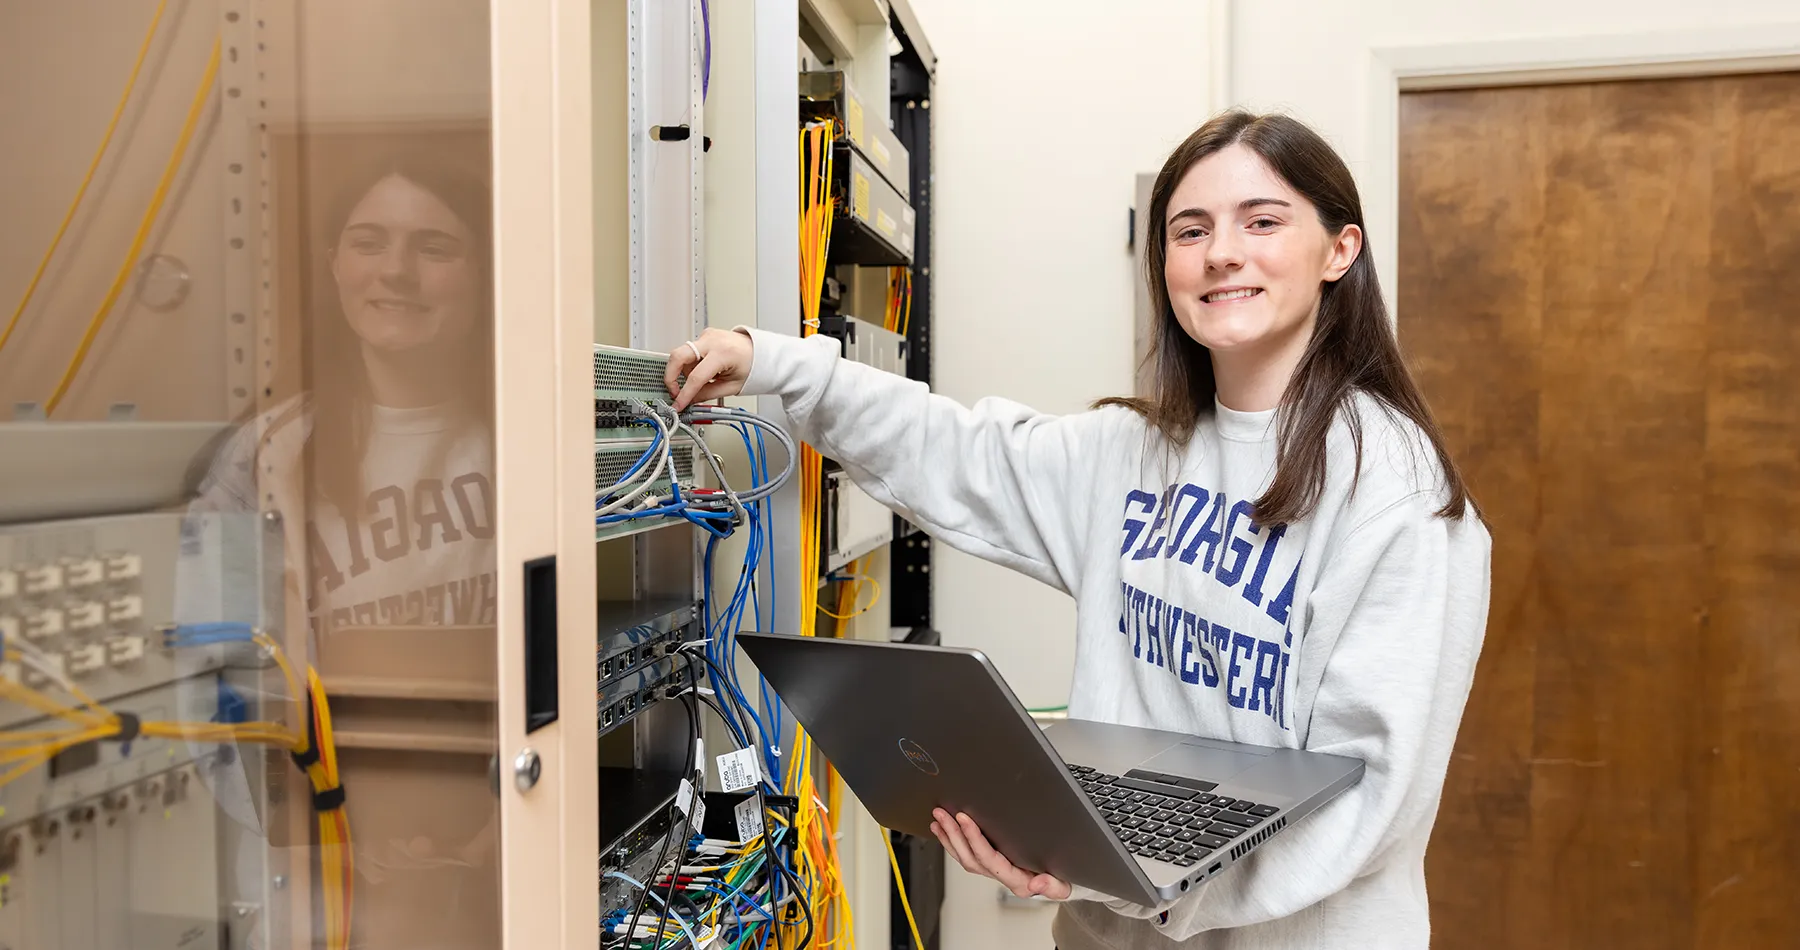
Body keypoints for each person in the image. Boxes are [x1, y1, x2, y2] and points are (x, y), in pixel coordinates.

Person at [663, 110, 1492, 949]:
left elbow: (1366, 795)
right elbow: (954, 450)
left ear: (1339, 251)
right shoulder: (1133, 452)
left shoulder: (1398, 498)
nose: (1221, 253)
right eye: (1190, 230)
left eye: (1262, 222)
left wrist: (1143, 881)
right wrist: (774, 363)